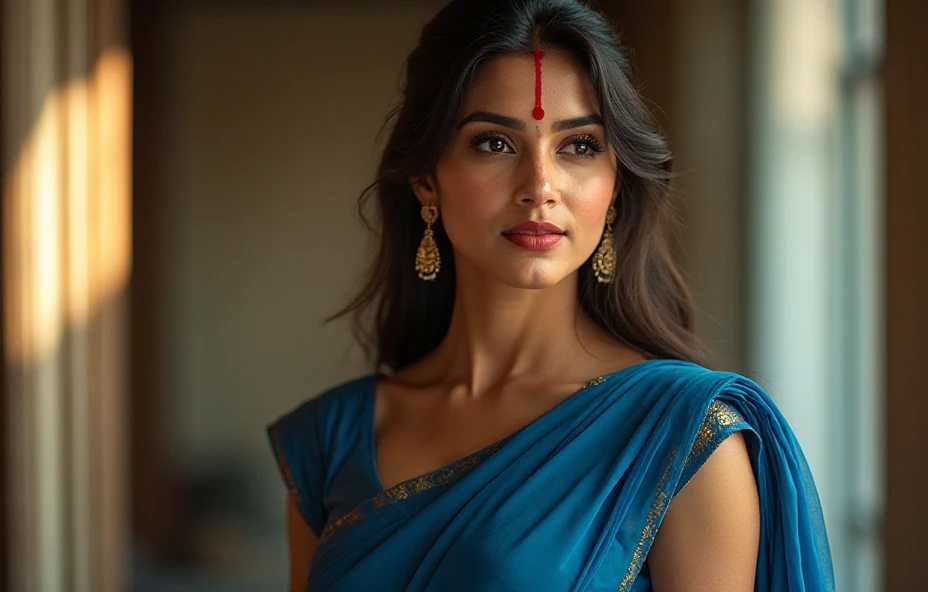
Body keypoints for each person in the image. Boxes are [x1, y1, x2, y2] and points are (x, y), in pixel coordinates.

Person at [267, 0, 834, 589]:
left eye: (580, 146)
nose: (540, 187)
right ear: (425, 179)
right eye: (493, 143)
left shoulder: (684, 432)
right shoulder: (329, 440)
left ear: (616, 186)